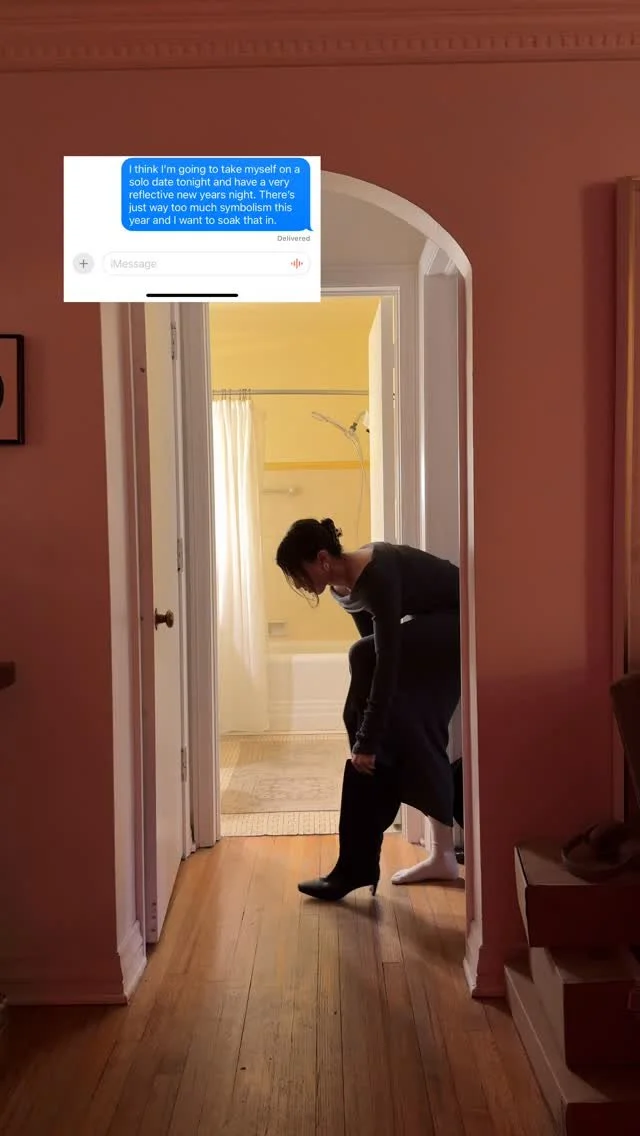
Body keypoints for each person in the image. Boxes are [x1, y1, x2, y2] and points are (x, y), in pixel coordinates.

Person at [275, 517, 462, 900]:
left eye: (299, 573)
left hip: (462, 621)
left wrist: (368, 739)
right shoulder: (341, 589)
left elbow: (383, 660)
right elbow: (377, 654)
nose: (298, 584)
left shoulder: (378, 575)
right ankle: (431, 856)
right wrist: (372, 732)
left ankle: (363, 863)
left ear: (322, 559)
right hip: (429, 631)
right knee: (407, 731)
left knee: (362, 660)